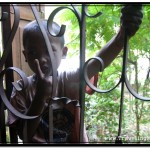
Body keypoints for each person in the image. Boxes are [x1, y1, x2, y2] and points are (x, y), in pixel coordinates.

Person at [7, 5, 143, 143]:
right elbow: (24, 135)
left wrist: (121, 36)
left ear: (64, 52)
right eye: (33, 52)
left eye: (49, 50)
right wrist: (40, 96)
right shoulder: (20, 89)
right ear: (25, 55)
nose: (41, 58)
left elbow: (96, 63)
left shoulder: (69, 79)